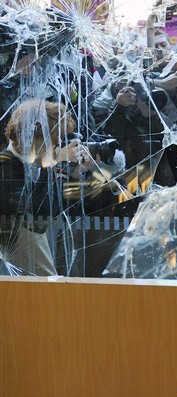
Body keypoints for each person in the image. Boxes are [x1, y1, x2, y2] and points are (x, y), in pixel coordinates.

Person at [0, 99, 99, 275]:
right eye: (53, 141)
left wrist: (76, 173)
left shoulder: (34, 167)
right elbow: (37, 216)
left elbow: (55, 208)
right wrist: (57, 163)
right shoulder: (5, 167)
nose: (57, 147)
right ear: (33, 138)